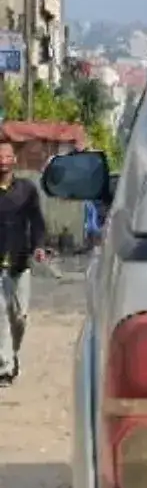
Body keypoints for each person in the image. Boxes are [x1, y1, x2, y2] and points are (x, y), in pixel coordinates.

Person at [0, 139, 49, 387]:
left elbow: (37, 221)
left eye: (6, 156)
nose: (2, 161)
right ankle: (5, 368)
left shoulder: (26, 190)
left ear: (14, 160)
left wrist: (39, 246)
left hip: (20, 261)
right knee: (0, 314)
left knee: (19, 316)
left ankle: (13, 354)